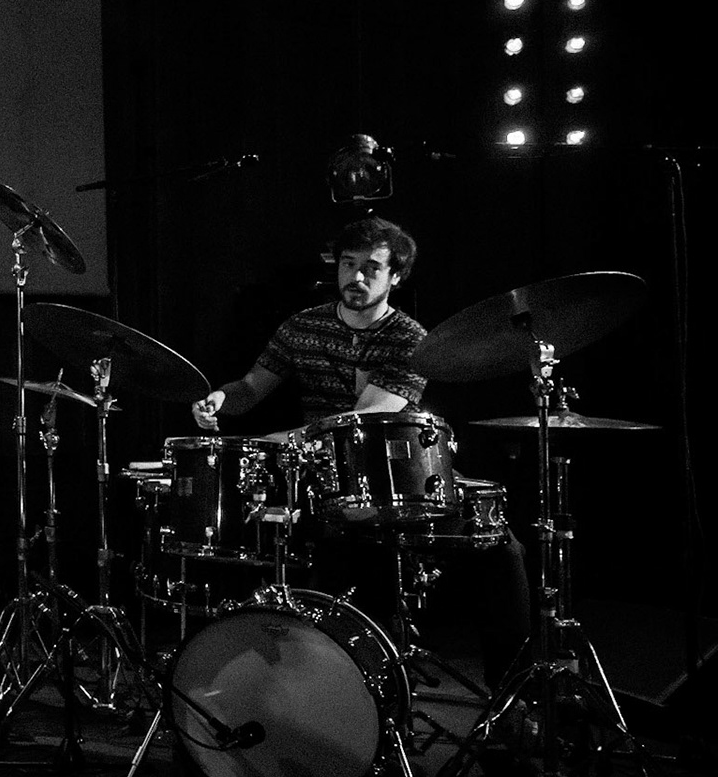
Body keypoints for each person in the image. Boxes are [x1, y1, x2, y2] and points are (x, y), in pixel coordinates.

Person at [191, 216, 530, 687]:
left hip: (393, 477)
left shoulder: (411, 340)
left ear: (395, 276)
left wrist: (283, 439)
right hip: (314, 481)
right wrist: (221, 401)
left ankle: (511, 697)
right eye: (348, 264)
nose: (356, 277)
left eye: (372, 268)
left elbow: (362, 420)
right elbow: (251, 386)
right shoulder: (301, 326)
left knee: (498, 545)